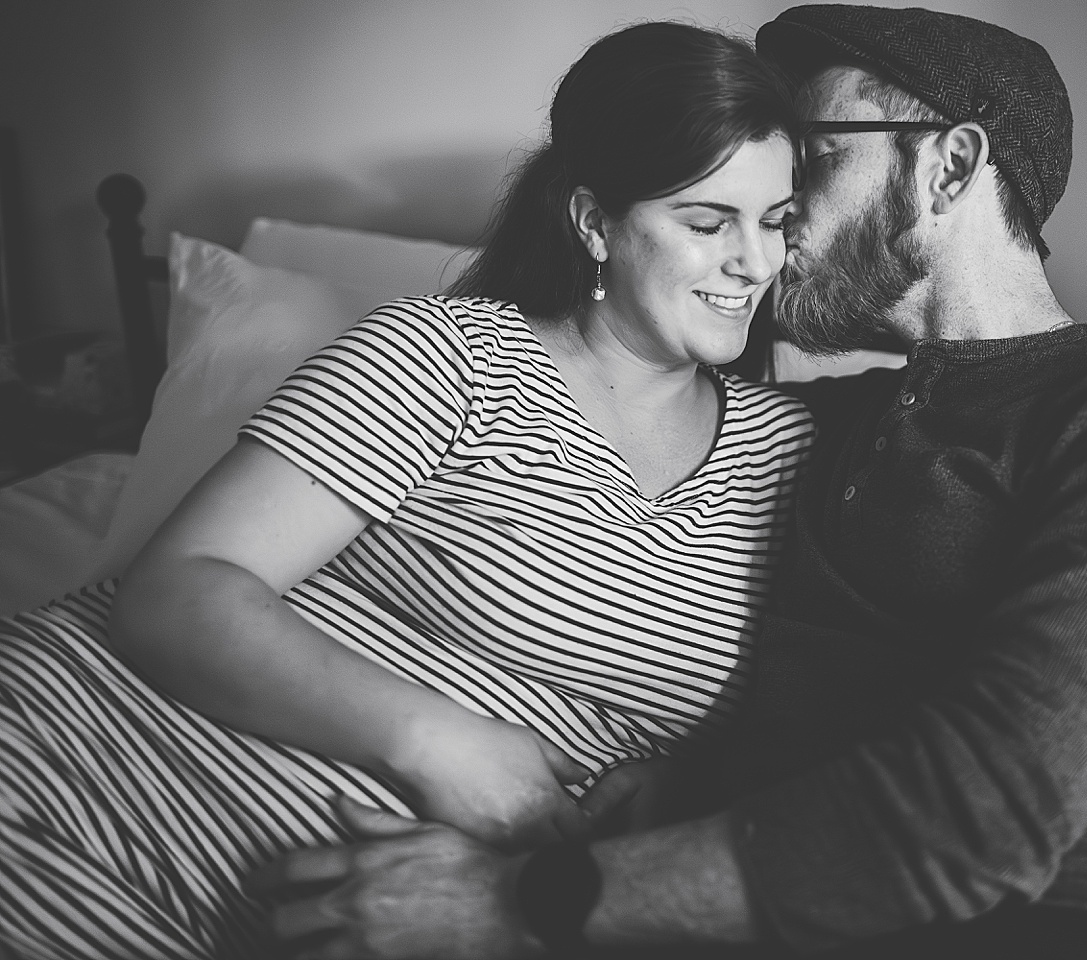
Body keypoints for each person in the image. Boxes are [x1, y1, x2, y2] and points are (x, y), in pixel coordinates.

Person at [244, 6, 1087, 960]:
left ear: (950, 167)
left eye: (811, 161)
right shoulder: (808, 426)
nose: (773, 222)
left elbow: (990, 815)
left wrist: (519, 900)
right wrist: (695, 781)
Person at [0, 22, 815, 958]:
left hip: (361, 910)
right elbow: (178, 587)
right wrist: (444, 746)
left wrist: (687, 787)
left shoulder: (802, 453)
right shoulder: (451, 354)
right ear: (594, 222)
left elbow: (839, 720)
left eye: (778, 220)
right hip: (67, 760)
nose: (756, 262)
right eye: (707, 224)